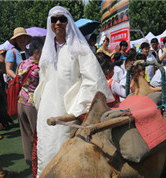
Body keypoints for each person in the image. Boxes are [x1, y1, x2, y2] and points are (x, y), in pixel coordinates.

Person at [33, 6, 114, 176]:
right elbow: (43, 81)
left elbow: (93, 80)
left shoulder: (80, 49)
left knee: (64, 153)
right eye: (54, 20)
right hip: (46, 112)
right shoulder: (47, 51)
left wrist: (77, 108)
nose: (58, 23)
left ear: (68, 22)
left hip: (66, 110)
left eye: (62, 19)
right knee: (45, 151)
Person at [17, 37, 44, 169]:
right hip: (32, 104)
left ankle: (29, 160)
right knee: (36, 132)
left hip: (21, 101)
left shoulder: (22, 64)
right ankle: (39, 160)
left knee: (25, 133)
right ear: (38, 52)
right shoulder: (39, 68)